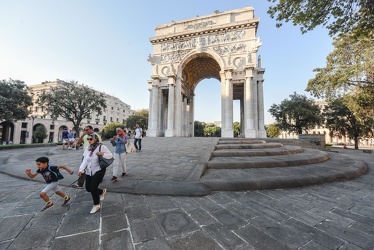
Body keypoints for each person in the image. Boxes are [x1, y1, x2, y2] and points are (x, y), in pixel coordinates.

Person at [78, 133, 112, 214]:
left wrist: (102, 154)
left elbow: (110, 155)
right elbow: (85, 161)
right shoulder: (87, 148)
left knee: (93, 187)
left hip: (99, 170)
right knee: (88, 188)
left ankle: (96, 205)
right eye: (88, 139)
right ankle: (101, 192)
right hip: (89, 171)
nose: (89, 140)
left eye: (91, 139)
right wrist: (81, 170)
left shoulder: (101, 147)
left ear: (96, 139)